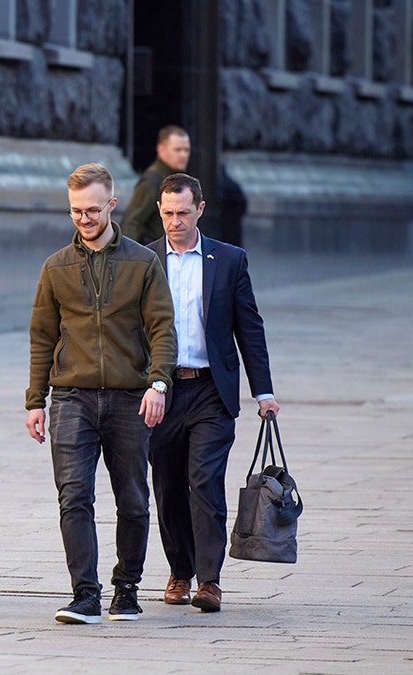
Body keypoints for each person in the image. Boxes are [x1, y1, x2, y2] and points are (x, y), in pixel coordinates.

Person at [25, 163, 176, 624]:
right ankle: (84, 594)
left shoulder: (143, 262)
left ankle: (126, 589)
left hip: (131, 398)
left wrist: (158, 383)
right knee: (74, 495)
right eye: (75, 211)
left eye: (92, 210)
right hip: (71, 395)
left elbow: (163, 329)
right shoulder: (56, 268)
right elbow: (42, 336)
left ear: (112, 205)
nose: (84, 219)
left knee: (132, 497)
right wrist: (35, 400)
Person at [146, 173, 279, 612]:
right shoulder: (145, 260)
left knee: (204, 481)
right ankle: (179, 572)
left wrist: (263, 392)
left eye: (183, 213)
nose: (175, 222)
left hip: (210, 390)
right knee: (166, 486)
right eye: (167, 213)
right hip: (161, 392)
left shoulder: (229, 259)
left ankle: (209, 581)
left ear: (200, 210)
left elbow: (250, 327)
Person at [121, 125, 191, 244]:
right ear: (161, 149)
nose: (183, 155)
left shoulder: (176, 178)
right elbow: (131, 222)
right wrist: (135, 258)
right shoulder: (152, 181)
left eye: (186, 150)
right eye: (177, 150)